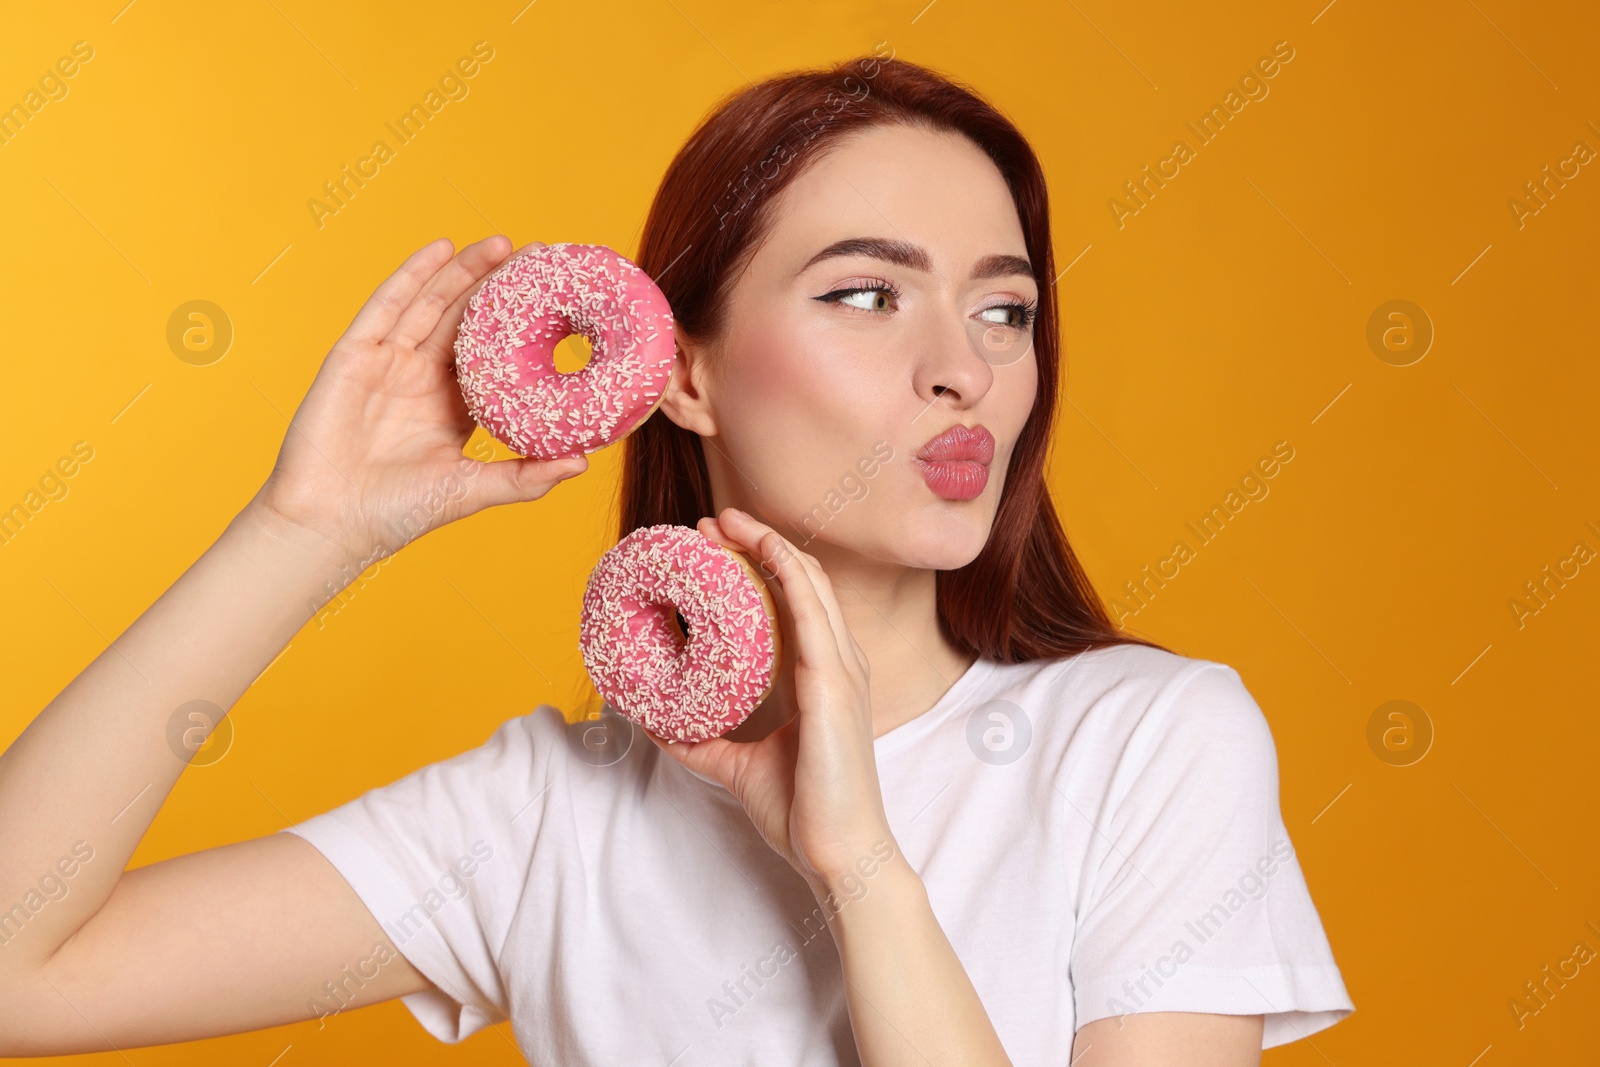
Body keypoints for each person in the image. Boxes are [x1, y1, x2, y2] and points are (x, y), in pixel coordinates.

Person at [0, 53, 1353, 1065]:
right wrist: (306, 531)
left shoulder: (1148, 743)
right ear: (681, 369)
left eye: (1006, 308)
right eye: (867, 295)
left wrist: (861, 868)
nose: (967, 372)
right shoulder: (543, 818)